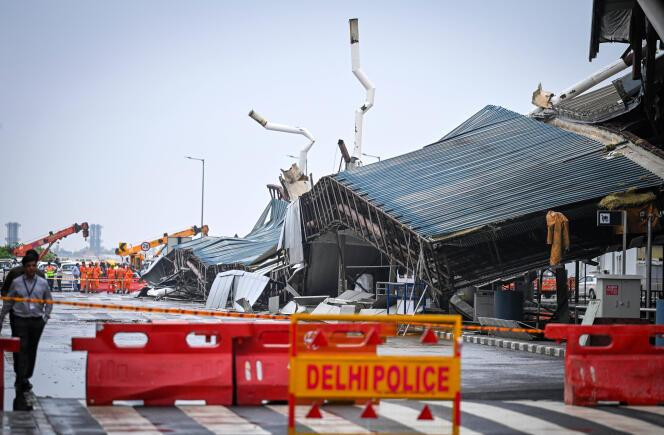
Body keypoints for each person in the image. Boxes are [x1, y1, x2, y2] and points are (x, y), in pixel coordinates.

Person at [0, 249, 52, 411]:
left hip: (36, 320)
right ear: (25, 263)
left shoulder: (41, 278)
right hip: (19, 319)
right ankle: (21, 377)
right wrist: (3, 315)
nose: (32, 268)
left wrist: (44, 318)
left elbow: (48, 300)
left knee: (31, 349)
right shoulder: (15, 276)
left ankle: (24, 375)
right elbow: (6, 295)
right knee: (20, 348)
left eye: (34, 265)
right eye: (29, 264)